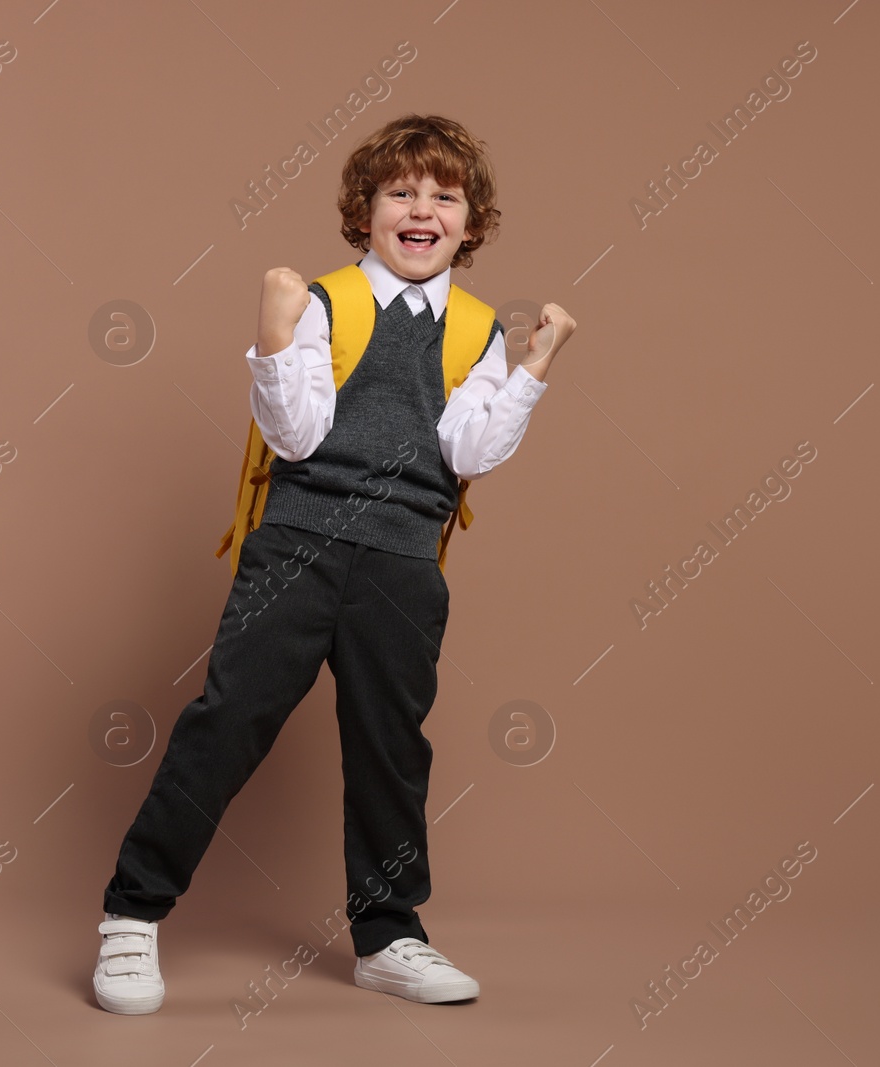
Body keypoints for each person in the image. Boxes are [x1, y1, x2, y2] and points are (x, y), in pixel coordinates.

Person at [93, 113, 575, 1015]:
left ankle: (389, 934)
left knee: (392, 750)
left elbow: (468, 451)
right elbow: (298, 433)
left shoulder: (475, 330)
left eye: (444, 195)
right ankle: (132, 914)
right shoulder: (322, 301)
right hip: (297, 549)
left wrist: (529, 371)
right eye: (401, 192)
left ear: (471, 223)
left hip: (401, 564)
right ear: (365, 212)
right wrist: (275, 339)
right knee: (227, 721)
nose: (421, 209)